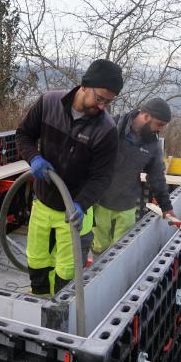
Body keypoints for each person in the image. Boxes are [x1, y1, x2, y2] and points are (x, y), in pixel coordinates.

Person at [15, 59, 122, 295]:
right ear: (85, 85)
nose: (103, 106)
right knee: (37, 258)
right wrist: (33, 157)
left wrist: (81, 204)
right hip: (43, 202)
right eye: (100, 98)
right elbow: (23, 135)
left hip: (75, 211)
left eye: (109, 102)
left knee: (68, 270)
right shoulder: (48, 103)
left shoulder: (106, 130)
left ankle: (61, 311)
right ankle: (39, 300)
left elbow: (102, 178)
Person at [92, 98, 174, 255]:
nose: (160, 130)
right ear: (145, 115)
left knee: (121, 252)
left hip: (127, 205)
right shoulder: (112, 126)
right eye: (159, 124)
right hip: (100, 202)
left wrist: (166, 207)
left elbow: (156, 176)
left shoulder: (153, 145)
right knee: (99, 248)